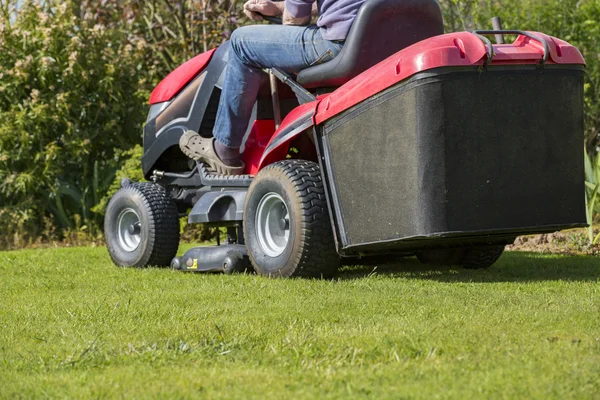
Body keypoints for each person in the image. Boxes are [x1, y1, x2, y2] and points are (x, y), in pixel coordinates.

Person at [179, 0, 366, 175]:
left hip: (337, 45)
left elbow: (296, 18)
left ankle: (224, 150)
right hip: (379, 44)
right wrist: (279, 7)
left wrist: (290, 14)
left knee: (240, 43)